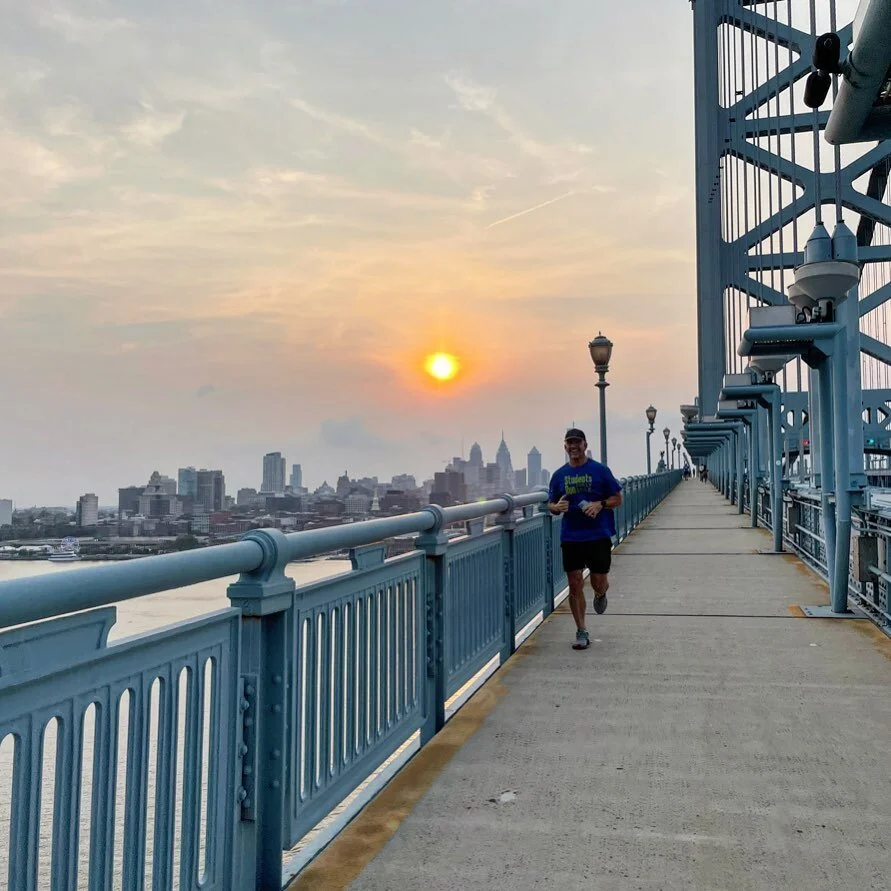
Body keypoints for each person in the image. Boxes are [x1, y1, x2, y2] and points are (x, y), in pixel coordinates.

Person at [548, 428, 623, 650]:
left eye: (577, 443)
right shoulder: (559, 475)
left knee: (598, 581)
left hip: (598, 534)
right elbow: (551, 504)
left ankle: (601, 593)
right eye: (569, 443)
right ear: (565, 447)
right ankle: (581, 630)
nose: (573, 447)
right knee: (574, 583)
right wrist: (555, 507)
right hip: (571, 536)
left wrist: (600, 504)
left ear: (585, 445)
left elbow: (618, 498)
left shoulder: (600, 471)